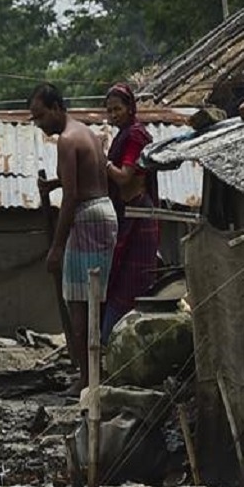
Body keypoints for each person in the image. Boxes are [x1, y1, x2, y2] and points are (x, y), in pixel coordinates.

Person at [31, 83, 118, 396]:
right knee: (97, 299)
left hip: (85, 218)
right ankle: (95, 374)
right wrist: (54, 182)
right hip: (104, 213)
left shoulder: (66, 141)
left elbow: (72, 197)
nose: (39, 123)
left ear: (56, 108)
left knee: (79, 302)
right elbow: (88, 177)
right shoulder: (86, 133)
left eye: (40, 116)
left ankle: (88, 378)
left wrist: (56, 246)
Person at [103, 82, 159, 340]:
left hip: (139, 213)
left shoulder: (135, 135)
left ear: (130, 108)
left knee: (134, 281)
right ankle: (114, 341)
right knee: (120, 279)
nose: (113, 115)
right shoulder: (123, 135)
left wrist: (103, 163)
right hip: (128, 213)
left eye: (118, 109)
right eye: (109, 110)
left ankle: (125, 340)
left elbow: (125, 176)